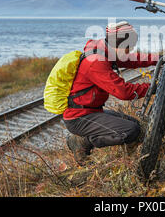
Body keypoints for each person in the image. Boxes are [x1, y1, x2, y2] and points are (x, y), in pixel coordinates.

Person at [63, 21, 158, 165]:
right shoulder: (96, 61)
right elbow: (123, 92)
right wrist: (152, 87)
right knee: (131, 130)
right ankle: (82, 141)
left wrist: (158, 59)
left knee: (134, 124)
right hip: (80, 118)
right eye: (128, 47)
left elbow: (131, 60)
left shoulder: (106, 50)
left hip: (92, 112)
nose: (130, 51)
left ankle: (89, 139)